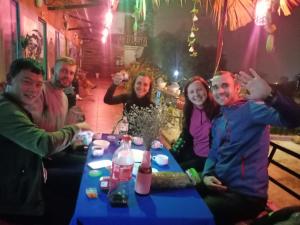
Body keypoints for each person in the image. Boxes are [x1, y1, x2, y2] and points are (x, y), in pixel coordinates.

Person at [0, 58, 90, 224]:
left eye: (38, 84)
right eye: (27, 82)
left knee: (86, 174)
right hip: (18, 195)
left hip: (32, 172)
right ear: (10, 79)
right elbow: (44, 143)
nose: (34, 90)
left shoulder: (17, 104)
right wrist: (78, 128)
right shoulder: (6, 109)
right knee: (84, 180)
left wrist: (71, 128)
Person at [200, 71, 291, 225]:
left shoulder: (252, 110)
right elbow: (214, 153)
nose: (219, 90)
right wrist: (206, 175)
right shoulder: (219, 119)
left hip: (247, 196)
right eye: (215, 87)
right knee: (185, 196)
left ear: (236, 88)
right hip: (220, 184)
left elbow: (293, 119)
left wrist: (271, 96)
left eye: (225, 85)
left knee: (196, 212)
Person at [171, 76, 219, 172]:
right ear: (187, 96)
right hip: (192, 153)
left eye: (199, 89)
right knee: (169, 163)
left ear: (206, 89)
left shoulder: (217, 110)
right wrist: (173, 152)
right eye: (191, 92)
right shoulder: (189, 111)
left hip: (209, 160)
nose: (196, 94)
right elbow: (184, 136)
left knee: (177, 172)